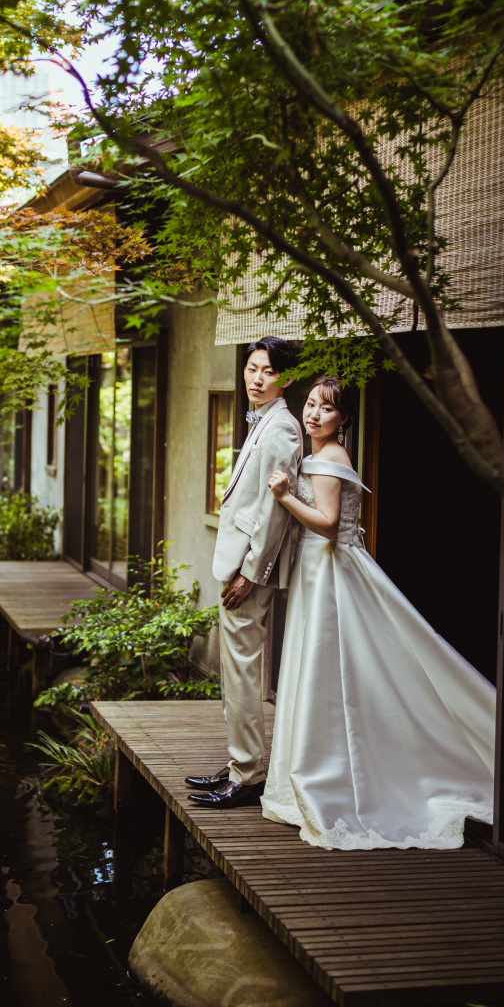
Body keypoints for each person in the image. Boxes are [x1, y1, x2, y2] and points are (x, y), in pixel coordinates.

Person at [261, 374, 496, 849]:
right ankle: (319, 774)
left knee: (336, 675)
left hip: (330, 573)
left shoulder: (330, 459)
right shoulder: (318, 456)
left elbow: (327, 526)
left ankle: (334, 780)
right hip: (319, 572)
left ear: (344, 419)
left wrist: (285, 496)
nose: (314, 414)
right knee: (333, 675)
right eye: (310, 404)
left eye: (327, 409)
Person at [186, 337, 303, 810]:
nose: (256, 378)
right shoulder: (265, 421)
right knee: (236, 673)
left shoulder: (282, 430)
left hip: (249, 571)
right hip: (238, 564)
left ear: (287, 379)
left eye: (267, 371)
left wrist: (250, 574)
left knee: (242, 672)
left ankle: (248, 774)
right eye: (252, 368)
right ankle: (241, 764)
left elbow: (275, 514)